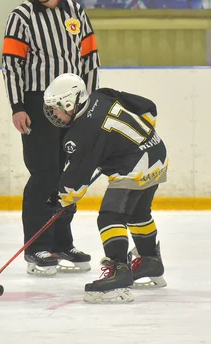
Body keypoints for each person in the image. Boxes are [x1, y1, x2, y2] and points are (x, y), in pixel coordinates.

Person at [1, 0, 100, 276]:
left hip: (73, 106)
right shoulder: (21, 16)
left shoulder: (76, 12)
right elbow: (11, 65)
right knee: (44, 173)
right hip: (37, 105)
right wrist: (18, 106)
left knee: (68, 175)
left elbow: (90, 60)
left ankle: (62, 242)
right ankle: (38, 246)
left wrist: (91, 104)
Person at [43, 73, 168, 304]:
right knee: (139, 213)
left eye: (57, 108)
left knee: (110, 217)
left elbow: (76, 179)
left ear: (71, 103)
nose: (55, 114)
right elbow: (148, 108)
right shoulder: (103, 95)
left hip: (135, 165)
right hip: (157, 151)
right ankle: (151, 261)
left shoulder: (82, 133)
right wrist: (140, 138)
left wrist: (61, 199)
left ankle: (118, 270)